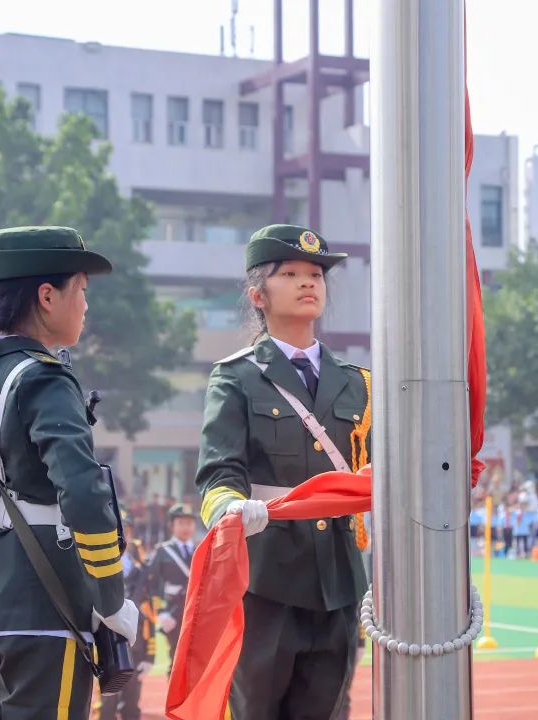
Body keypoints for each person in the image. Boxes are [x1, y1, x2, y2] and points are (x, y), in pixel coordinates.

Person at [0, 226, 135, 719]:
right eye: (81, 292)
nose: (86, 307)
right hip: (46, 612)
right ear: (47, 296)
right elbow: (85, 495)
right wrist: (110, 598)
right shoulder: (44, 377)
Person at [195, 224, 370, 720]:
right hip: (265, 579)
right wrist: (230, 508)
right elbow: (217, 472)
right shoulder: (236, 377)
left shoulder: (358, 385)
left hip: (336, 582)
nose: (308, 282)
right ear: (258, 295)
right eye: (290, 273)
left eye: (315, 274)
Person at [97, 514, 155, 720]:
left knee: (132, 700)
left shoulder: (140, 569)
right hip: (106, 641)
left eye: (126, 529)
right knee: (107, 701)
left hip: (135, 642)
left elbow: (149, 614)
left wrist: (151, 654)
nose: (122, 533)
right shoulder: (97, 563)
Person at [145, 504, 196, 672]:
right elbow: (152, 585)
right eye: (181, 523)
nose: (186, 527)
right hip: (173, 611)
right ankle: (175, 697)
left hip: (196, 610)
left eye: (189, 523)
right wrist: (161, 612)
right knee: (176, 657)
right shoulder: (163, 551)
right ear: (172, 526)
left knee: (196, 658)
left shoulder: (201, 548)